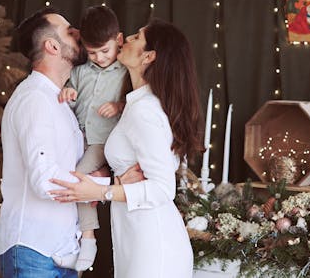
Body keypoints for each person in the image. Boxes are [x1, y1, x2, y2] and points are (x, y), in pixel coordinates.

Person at [0, 8, 143, 277]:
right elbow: (45, 180)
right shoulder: (35, 99)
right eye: (70, 32)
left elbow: (68, 167)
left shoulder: (60, 101)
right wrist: (109, 186)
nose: (79, 34)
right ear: (52, 46)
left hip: (60, 251)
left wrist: (97, 178)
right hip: (32, 251)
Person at [49, 19, 203, 277]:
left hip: (153, 242)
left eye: (136, 37)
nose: (127, 39)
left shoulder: (144, 111)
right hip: (135, 235)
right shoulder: (137, 104)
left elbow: (164, 187)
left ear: (149, 56)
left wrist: (101, 191)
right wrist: (116, 180)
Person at [55, 5, 128, 271]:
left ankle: (88, 240)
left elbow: (137, 106)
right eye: (92, 52)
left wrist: (119, 106)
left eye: (105, 51)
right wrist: (67, 94)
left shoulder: (125, 74)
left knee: (77, 180)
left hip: (102, 144)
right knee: (63, 182)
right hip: (77, 140)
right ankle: (70, 241)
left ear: (118, 41)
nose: (98, 57)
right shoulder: (80, 72)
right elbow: (66, 91)